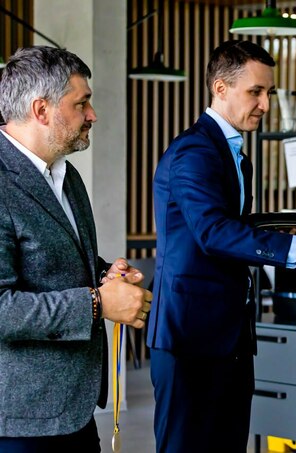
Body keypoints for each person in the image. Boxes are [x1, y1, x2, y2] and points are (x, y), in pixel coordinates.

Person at [148, 40, 296, 453]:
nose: (265, 104)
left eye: (268, 92)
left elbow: (235, 226)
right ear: (220, 88)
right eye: (256, 92)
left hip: (231, 336)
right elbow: (213, 232)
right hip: (189, 338)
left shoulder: (234, 155)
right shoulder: (194, 151)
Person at [0, 46, 152, 451]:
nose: (92, 115)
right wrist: (99, 303)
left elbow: (59, 263)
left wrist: (106, 275)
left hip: (76, 410)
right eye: (81, 103)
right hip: (20, 421)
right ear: (41, 109)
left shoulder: (67, 176)